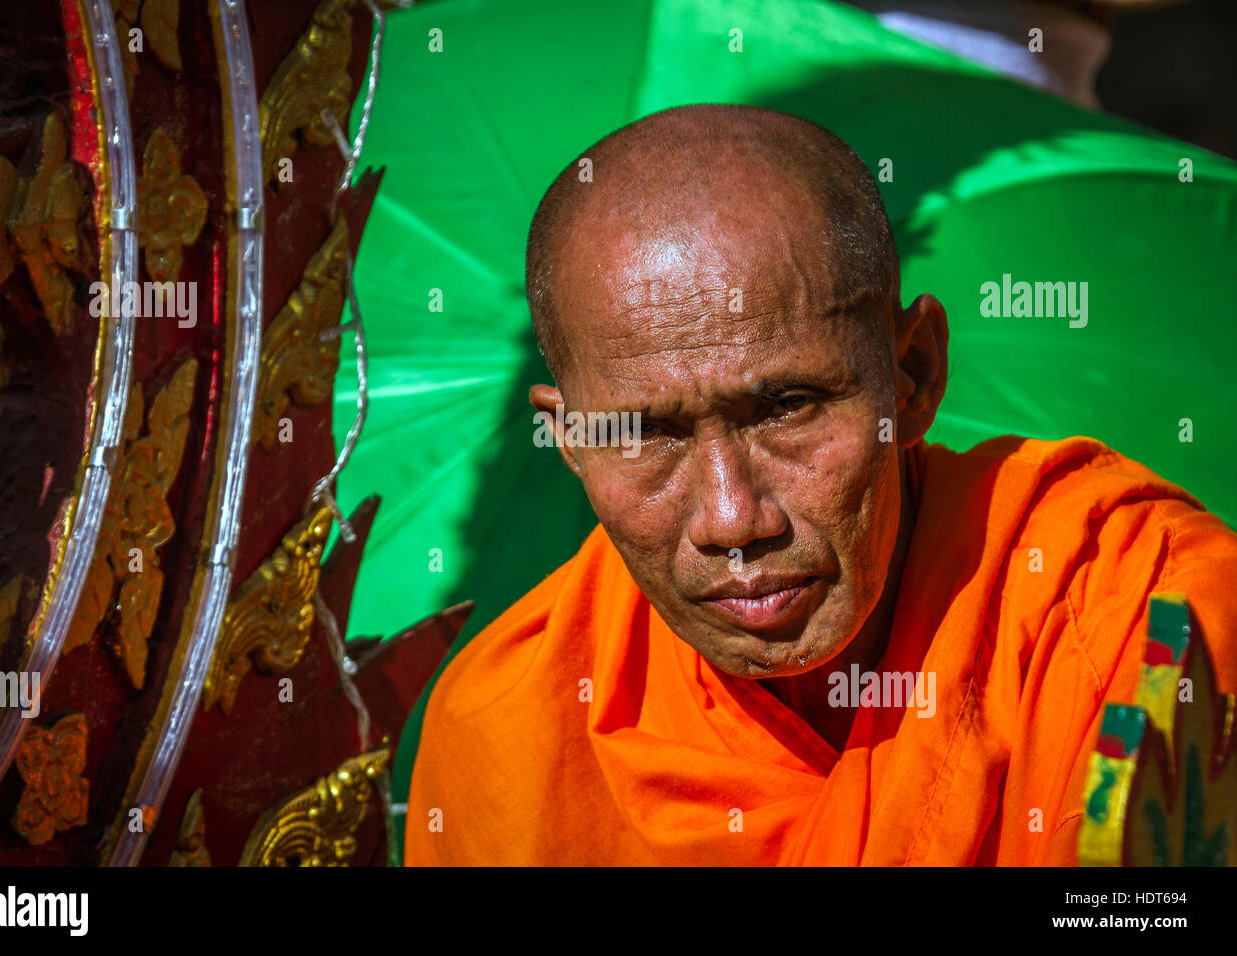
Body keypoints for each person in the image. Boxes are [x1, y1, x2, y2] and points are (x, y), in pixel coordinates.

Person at [405, 104, 1237, 865]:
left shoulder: (1142, 616)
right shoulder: (508, 727)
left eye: (787, 407)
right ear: (571, 439)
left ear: (912, 374)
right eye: (647, 433)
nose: (733, 521)